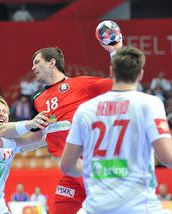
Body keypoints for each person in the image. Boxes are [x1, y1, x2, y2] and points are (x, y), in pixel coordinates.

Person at [60, 46, 172, 213]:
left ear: (111, 71)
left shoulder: (85, 109)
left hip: (95, 208)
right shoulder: (150, 103)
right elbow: (169, 158)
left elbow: (67, 166)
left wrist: (94, 167)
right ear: (140, 74)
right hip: (139, 208)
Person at [31, 46, 114, 213]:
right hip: (70, 173)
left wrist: (115, 51)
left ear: (51, 63)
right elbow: (39, 137)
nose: (33, 67)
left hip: (91, 167)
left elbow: (119, 83)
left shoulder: (81, 85)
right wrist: (6, 141)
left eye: (36, 62)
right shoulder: (37, 100)